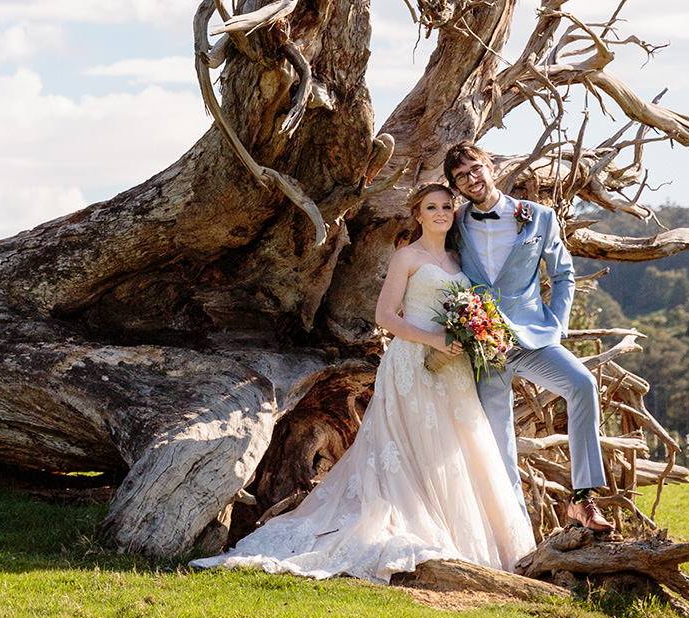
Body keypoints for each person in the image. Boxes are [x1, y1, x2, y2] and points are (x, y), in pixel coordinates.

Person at [190, 180, 535, 583]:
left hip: (454, 369)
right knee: (411, 449)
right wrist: (434, 339)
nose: (441, 213)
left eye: (446, 206)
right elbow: (385, 317)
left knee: (454, 451)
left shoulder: (461, 260)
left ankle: (474, 541)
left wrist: (472, 336)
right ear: (418, 214)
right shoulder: (407, 256)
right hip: (413, 363)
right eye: (431, 207)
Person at [445, 140, 614, 533]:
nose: (471, 180)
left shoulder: (538, 218)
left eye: (475, 169)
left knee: (582, 385)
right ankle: (514, 533)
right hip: (482, 350)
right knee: (497, 442)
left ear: (489, 166)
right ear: (455, 187)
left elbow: (562, 274)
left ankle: (583, 499)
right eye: (460, 178)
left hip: (534, 339)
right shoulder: (454, 223)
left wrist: (557, 325)